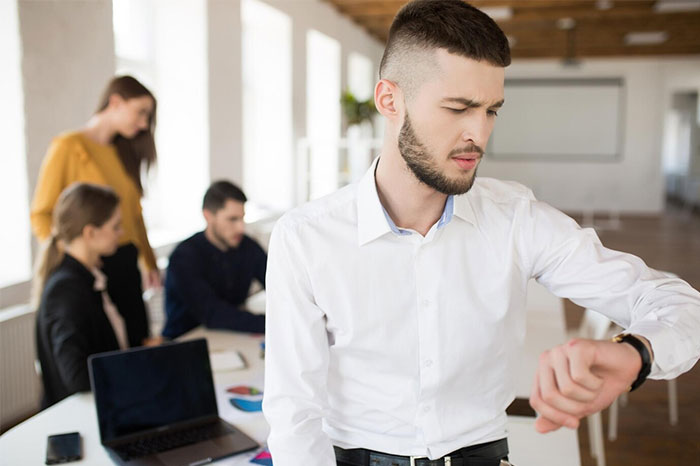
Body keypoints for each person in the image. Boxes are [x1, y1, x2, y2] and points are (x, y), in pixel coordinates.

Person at [262, 1, 700, 465]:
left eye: (492, 110)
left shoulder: (517, 220)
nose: (480, 133)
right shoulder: (306, 238)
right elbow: (293, 414)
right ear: (390, 100)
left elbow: (681, 305)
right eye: (459, 108)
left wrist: (636, 353)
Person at [30, 75, 160, 348]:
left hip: (125, 260)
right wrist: (70, 256)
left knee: (138, 344)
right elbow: (41, 213)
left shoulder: (124, 151)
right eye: (140, 112)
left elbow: (134, 215)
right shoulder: (68, 147)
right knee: (100, 351)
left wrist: (148, 260)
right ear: (115, 102)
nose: (144, 123)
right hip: (91, 264)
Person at [34, 183, 125, 409]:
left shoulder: (88, 276)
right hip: (81, 415)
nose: (121, 233)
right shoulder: (66, 289)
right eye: (116, 227)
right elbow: (77, 377)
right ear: (90, 233)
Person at [162, 180, 267, 339]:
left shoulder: (247, 246)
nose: (241, 227)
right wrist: (272, 323)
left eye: (242, 218)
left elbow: (277, 283)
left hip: (230, 336)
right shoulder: (184, 257)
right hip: (185, 341)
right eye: (232, 219)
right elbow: (212, 313)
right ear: (208, 216)